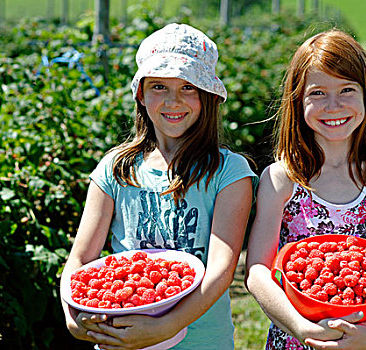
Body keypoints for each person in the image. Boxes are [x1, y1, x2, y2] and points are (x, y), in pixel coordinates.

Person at [60, 23, 257, 349]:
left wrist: (167, 326)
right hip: (119, 337)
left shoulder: (229, 173)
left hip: (202, 342)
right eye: (159, 87)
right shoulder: (115, 169)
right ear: (141, 93)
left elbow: (222, 269)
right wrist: (73, 315)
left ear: (207, 95)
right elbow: (80, 259)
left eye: (188, 88)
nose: (173, 101)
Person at [245, 29, 366, 350]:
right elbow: (258, 270)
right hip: (293, 339)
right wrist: (301, 328)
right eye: (317, 93)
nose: (334, 106)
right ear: (297, 100)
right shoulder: (282, 179)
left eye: (347, 90)